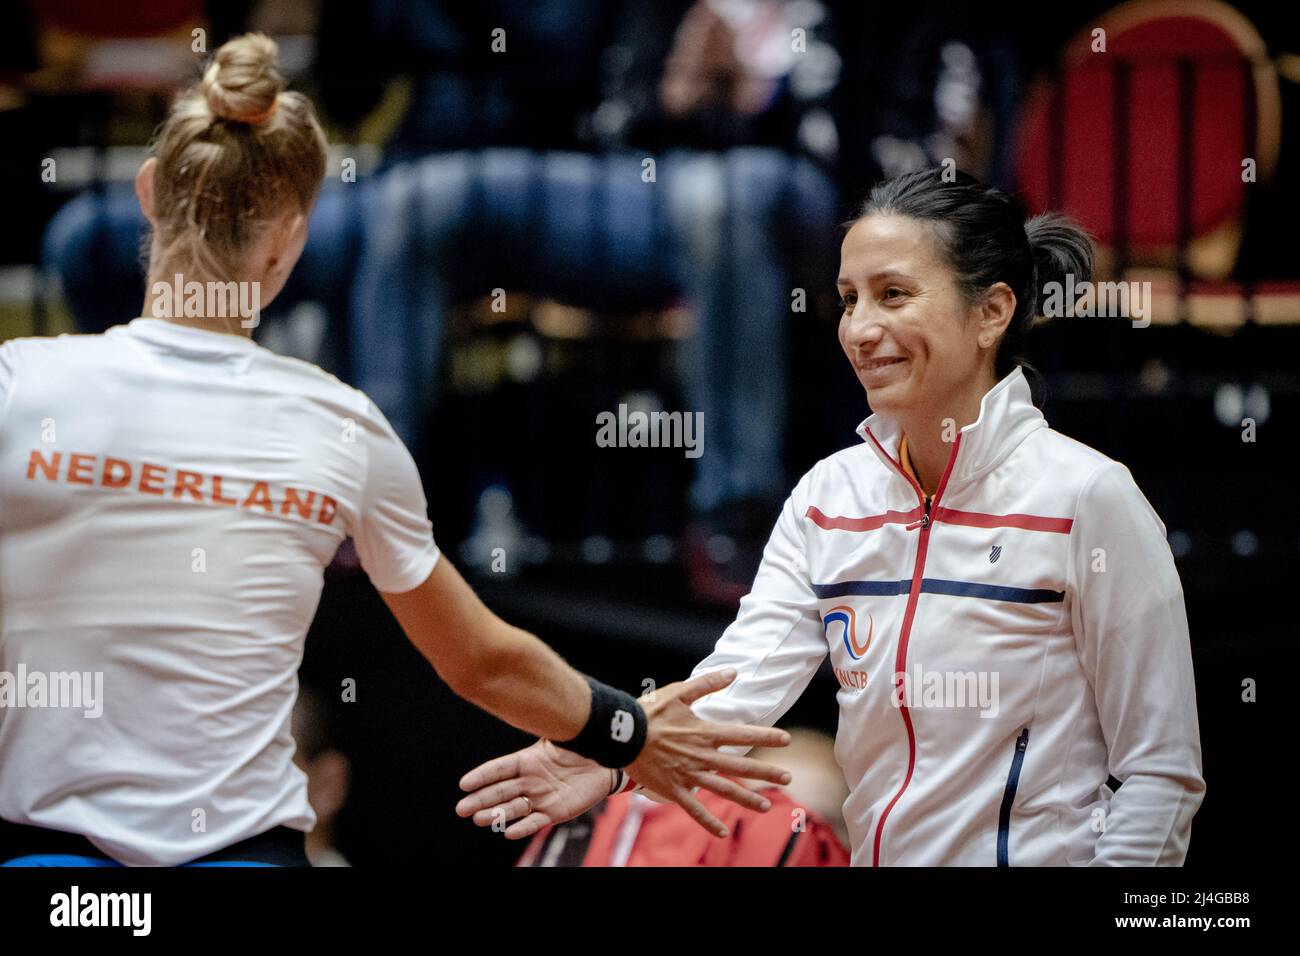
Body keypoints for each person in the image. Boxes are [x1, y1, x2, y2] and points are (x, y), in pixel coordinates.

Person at [0, 33, 791, 868]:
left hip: (50, 873)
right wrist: (625, 729)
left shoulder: (19, 387)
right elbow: (481, 660)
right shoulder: (343, 426)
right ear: (291, 240)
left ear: (151, 193)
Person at [456, 167, 1206, 865]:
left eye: (893, 295)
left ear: (992, 312)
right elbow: (731, 691)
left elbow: (1159, 776)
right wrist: (607, 748)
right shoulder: (828, 498)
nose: (859, 329)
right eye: (849, 299)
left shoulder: (1089, 498)